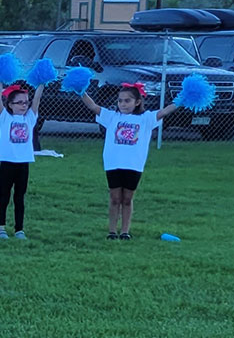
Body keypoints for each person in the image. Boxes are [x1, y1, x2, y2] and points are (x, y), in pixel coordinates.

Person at [78, 83, 184, 240]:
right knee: (115, 198)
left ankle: (125, 231)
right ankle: (112, 231)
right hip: (113, 163)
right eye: (120, 101)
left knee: (127, 199)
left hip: (134, 164)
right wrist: (80, 90)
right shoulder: (112, 116)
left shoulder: (146, 118)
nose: (123, 104)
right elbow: (93, 106)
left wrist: (183, 99)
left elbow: (165, 111)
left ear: (137, 102)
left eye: (127, 101)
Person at [0, 82, 43, 239]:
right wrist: (0, 80)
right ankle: (0, 228)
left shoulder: (30, 119)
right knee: (4, 196)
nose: (24, 105)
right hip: (7, 163)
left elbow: (37, 100)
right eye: (19, 102)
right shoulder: (4, 118)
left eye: (26, 102)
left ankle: (19, 229)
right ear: (10, 104)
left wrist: (41, 82)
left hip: (23, 164)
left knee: (19, 197)